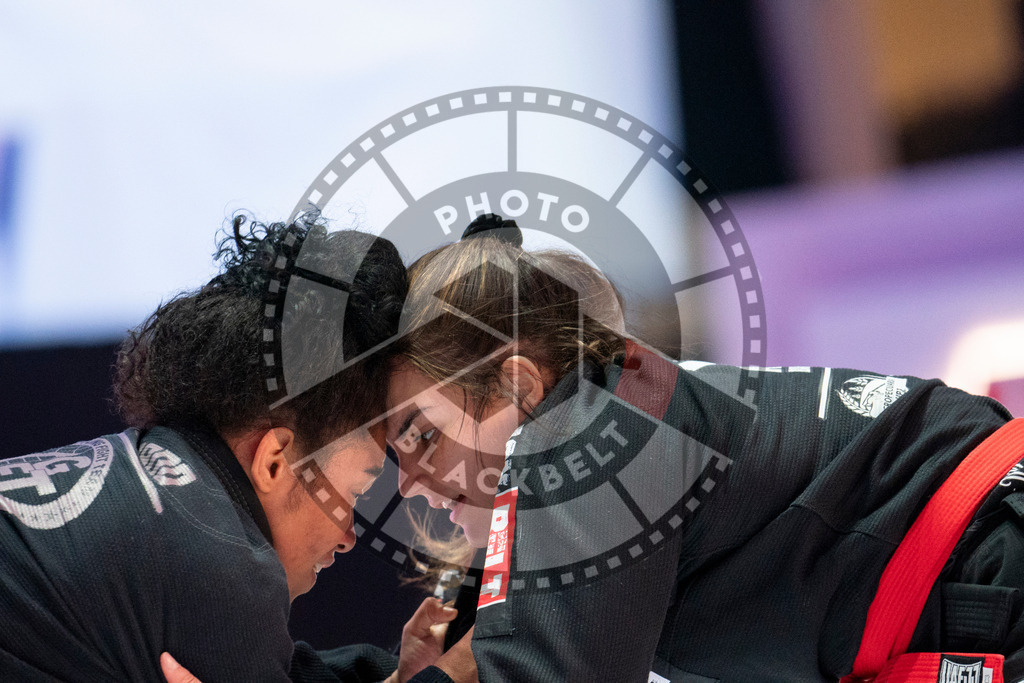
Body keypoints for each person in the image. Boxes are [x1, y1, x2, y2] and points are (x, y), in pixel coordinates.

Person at [384, 214, 1024, 682]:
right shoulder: (620, 409)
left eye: (423, 434)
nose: (409, 482)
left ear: (517, 386)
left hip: (993, 565)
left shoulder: (587, 439)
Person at [0, 212, 471, 682]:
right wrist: (452, 673)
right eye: (355, 492)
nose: (349, 536)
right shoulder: (223, 565)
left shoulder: (158, 487)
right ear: (274, 461)